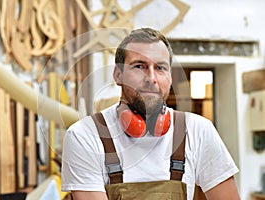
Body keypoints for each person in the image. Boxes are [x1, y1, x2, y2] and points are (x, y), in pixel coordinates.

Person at [61, 27, 240, 200]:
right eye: (139, 66)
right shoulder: (84, 135)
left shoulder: (197, 130)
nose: (152, 78)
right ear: (118, 75)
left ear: (170, 76)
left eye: (160, 68)